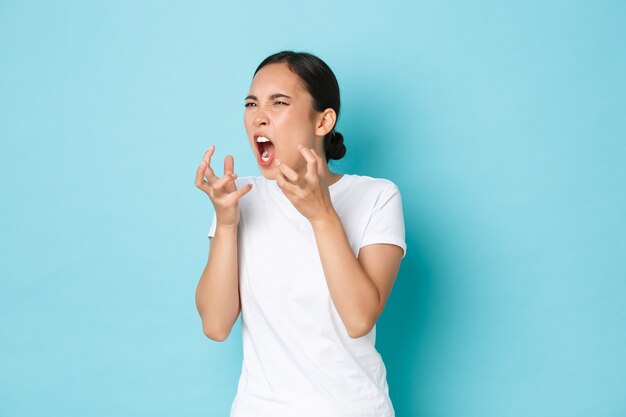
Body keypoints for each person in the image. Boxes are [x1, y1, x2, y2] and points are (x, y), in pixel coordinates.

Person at [194, 51, 407, 417]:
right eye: (251, 104)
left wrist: (322, 215)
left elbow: (358, 319)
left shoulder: (376, 196)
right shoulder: (238, 198)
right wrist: (226, 222)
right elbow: (215, 325)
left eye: (279, 103)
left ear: (323, 121)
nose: (259, 116)